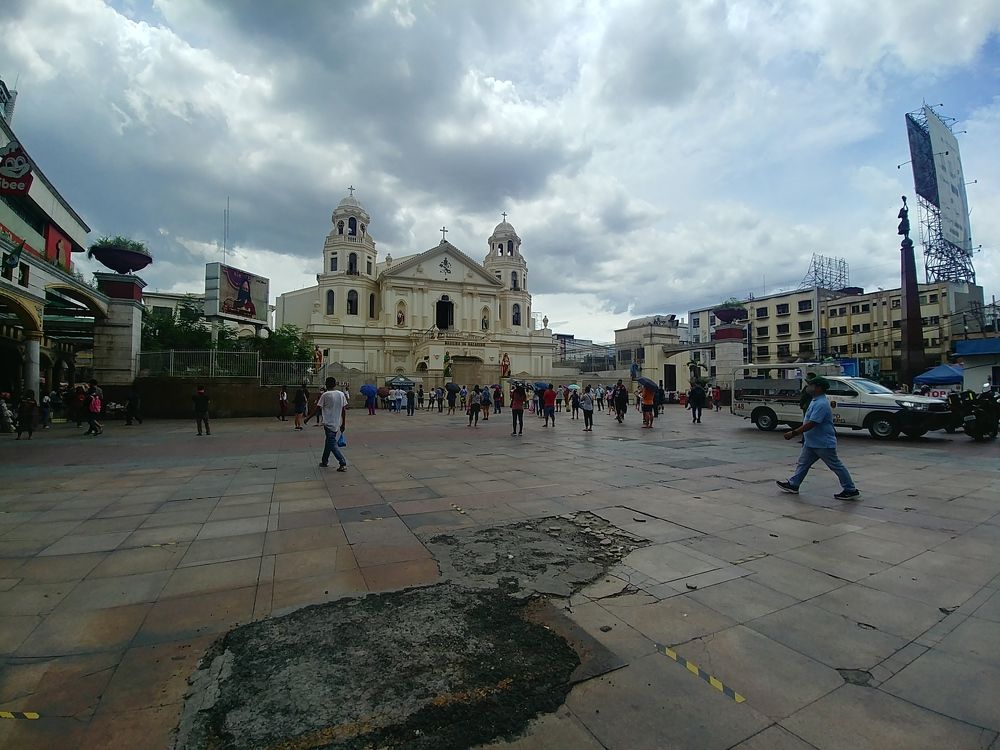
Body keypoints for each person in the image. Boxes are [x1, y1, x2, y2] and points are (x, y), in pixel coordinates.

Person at [777, 377, 860, 500]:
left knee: (836, 466)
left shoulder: (821, 404)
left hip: (822, 443)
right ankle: (794, 484)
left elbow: (812, 423)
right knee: (803, 463)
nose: (808, 387)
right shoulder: (815, 400)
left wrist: (794, 433)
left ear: (819, 388)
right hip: (812, 442)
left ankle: (850, 489)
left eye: (811, 385)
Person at [309, 377, 348, 471]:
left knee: (332, 443)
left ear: (326, 385)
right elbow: (343, 410)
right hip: (337, 422)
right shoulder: (341, 394)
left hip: (328, 423)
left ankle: (342, 463)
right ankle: (324, 461)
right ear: (335, 384)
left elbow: (317, 409)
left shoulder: (325, 395)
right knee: (329, 442)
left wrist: (308, 418)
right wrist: (343, 423)